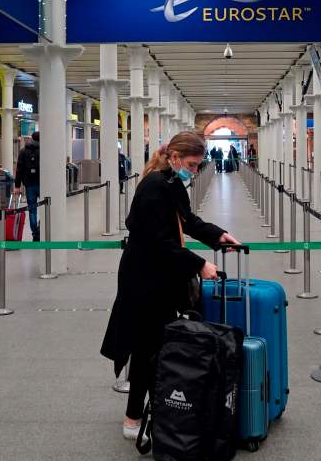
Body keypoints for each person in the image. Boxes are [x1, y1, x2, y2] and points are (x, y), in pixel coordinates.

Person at [100, 131, 241, 441]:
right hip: (144, 279)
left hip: (161, 275)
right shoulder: (152, 187)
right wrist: (199, 264)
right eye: (191, 164)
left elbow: (186, 220)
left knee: (158, 345)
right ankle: (133, 418)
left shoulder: (171, 183)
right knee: (146, 348)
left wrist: (217, 236)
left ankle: (160, 409)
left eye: (197, 165)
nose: (193, 170)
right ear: (175, 157)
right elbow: (158, 242)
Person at [13, 131, 41, 241]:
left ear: (31, 138)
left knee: (32, 210)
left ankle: (35, 233)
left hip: (29, 185)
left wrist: (17, 186)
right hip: (42, 183)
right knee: (47, 207)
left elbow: (19, 169)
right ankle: (41, 229)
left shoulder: (23, 151)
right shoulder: (44, 150)